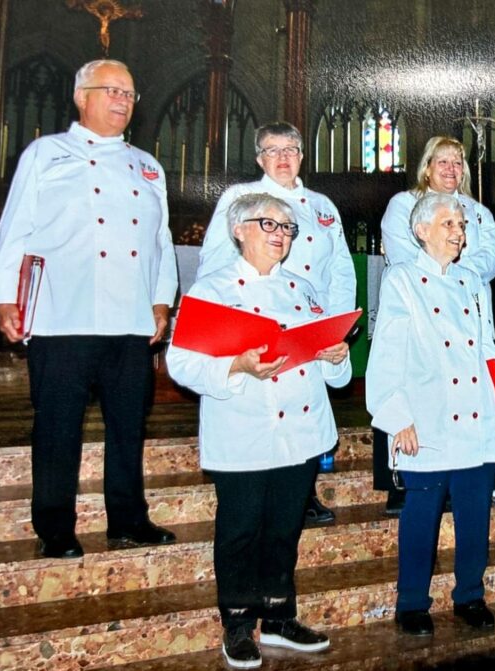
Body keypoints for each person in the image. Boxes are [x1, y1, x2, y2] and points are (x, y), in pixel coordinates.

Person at [0, 59, 177, 559]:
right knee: (57, 426)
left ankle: (128, 518)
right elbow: (15, 227)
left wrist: (161, 302)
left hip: (130, 319)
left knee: (128, 425)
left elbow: (161, 240)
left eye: (129, 94)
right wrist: (4, 295)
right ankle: (55, 527)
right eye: (111, 90)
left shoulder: (146, 165)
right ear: (81, 96)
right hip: (62, 313)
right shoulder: (46, 153)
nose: (122, 101)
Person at [167, 193, 349, 668]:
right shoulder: (211, 289)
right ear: (239, 230)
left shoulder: (304, 290)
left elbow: (333, 373)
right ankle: (238, 623)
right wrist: (236, 366)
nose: (280, 235)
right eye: (269, 224)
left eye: (287, 228)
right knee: (241, 531)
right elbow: (180, 363)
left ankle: (279, 617)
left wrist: (335, 355)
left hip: (301, 430)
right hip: (243, 431)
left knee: (284, 528)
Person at [366, 192, 495, 637]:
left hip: (475, 415)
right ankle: (412, 601)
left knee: (476, 513)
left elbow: (488, 349)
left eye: (462, 226)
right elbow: (387, 352)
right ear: (421, 230)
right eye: (449, 224)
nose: (459, 233)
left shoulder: (473, 282)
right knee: (421, 514)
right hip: (426, 415)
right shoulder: (402, 279)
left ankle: (470, 594)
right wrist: (397, 417)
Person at [198, 121, 355, 525]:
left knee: (304, 409)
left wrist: (337, 325)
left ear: (302, 156)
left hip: (309, 320)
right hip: (256, 322)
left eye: (291, 149)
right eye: (273, 150)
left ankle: (303, 492)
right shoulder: (240, 198)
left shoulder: (322, 205)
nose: (283, 157)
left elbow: (341, 270)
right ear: (259, 158)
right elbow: (214, 262)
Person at [375, 136, 495, 516]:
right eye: (442, 161)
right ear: (427, 167)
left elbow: (493, 258)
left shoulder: (478, 211)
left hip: (468, 312)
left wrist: (457, 268)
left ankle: (459, 475)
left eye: (457, 162)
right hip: (420, 316)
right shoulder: (404, 204)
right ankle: (401, 480)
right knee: (412, 388)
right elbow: (407, 255)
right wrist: (450, 266)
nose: (451, 169)